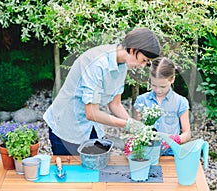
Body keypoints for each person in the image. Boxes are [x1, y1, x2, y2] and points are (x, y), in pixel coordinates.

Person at [43, 27, 161, 155]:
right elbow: (91, 113)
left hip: (90, 127)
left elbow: (115, 104)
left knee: (93, 170)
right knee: (72, 172)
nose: (143, 66)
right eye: (144, 60)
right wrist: (127, 125)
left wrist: (135, 126)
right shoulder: (97, 64)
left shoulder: (121, 63)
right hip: (67, 127)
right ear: (133, 50)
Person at [134, 57, 191, 155]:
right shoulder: (142, 100)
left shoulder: (181, 102)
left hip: (170, 154)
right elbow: (136, 130)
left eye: (163, 86)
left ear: (172, 79)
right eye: (154, 85)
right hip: (146, 154)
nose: (158, 90)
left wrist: (176, 139)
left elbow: (187, 133)